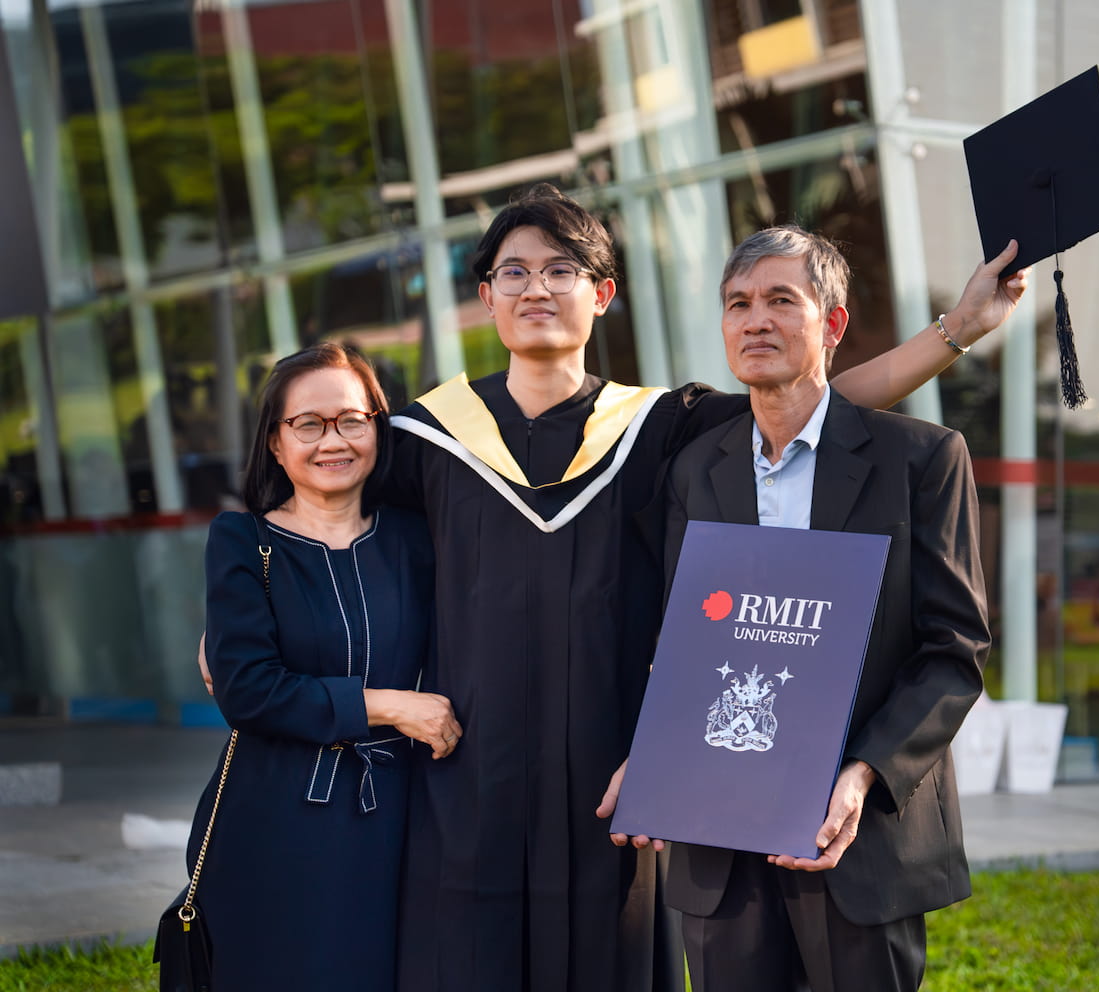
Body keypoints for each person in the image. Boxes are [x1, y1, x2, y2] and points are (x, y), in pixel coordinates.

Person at [384, 185, 1025, 992]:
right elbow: (335, 520)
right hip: (487, 770)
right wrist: (245, 616)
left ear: (602, 294)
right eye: (513, 272)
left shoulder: (657, 430)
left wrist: (956, 333)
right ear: (485, 297)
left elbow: (815, 408)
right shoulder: (426, 436)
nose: (536, 288)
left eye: (560, 269)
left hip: (654, 769)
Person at [614, 225, 990, 991]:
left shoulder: (919, 460)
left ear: (833, 323)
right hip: (719, 833)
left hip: (858, 831)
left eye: (782, 300)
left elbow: (951, 655)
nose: (757, 320)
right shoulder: (696, 470)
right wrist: (657, 758)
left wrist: (861, 776)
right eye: (739, 303)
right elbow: (681, 640)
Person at [188, 343, 460, 992]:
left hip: (397, 815)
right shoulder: (242, 541)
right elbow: (248, 693)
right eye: (307, 424)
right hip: (274, 817)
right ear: (276, 445)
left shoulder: (416, 537)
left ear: (378, 428)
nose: (331, 440)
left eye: (351, 420)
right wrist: (392, 705)